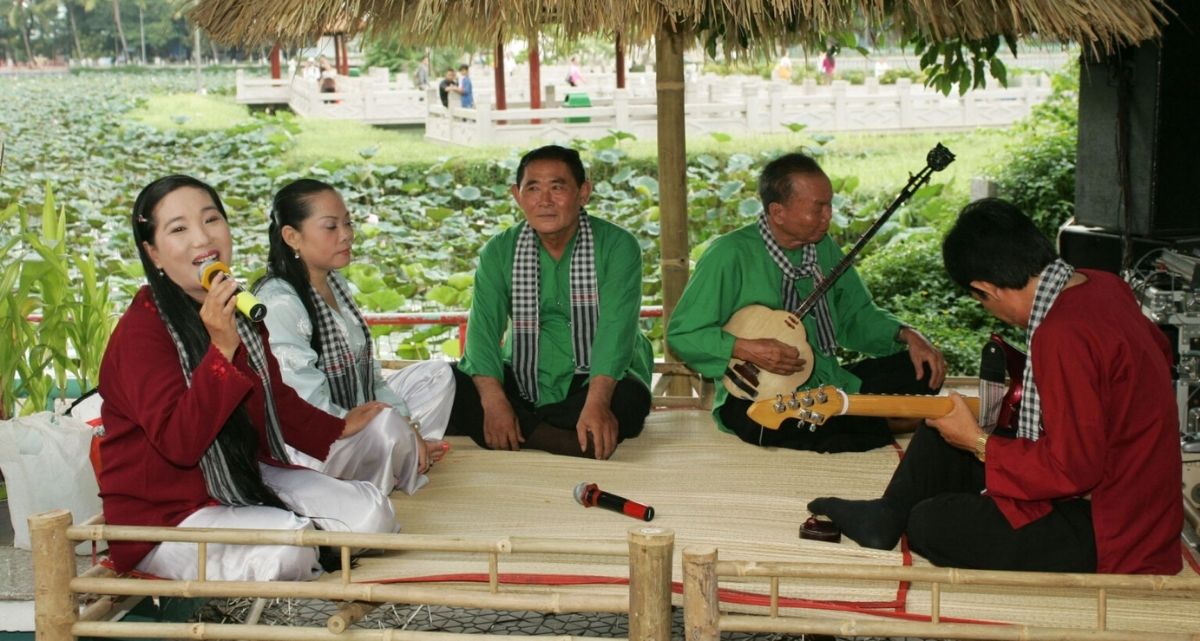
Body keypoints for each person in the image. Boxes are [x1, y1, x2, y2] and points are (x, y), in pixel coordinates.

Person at [808, 199, 1183, 574]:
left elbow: (1073, 470)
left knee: (931, 523)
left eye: (980, 300)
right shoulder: (1103, 284)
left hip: (1114, 525)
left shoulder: (1061, 334)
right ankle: (886, 515)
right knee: (941, 426)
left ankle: (908, 515)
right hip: (1132, 488)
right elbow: (1156, 356)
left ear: (987, 289)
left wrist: (978, 442)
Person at [98, 176, 398, 582]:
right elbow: (180, 444)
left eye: (211, 219)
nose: (202, 237)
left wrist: (340, 426)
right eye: (179, 229)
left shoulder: (240, 310)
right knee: (285, 549)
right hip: (167, 512)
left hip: (243, 474)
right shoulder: (140, 333)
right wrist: (221, 351)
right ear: (153, 253)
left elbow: (275, 398)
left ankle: (300, 539)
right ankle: (300, 544)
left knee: (372, 514)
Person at [668, 152, 946, 453]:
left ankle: (865, 415)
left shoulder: (823, 249)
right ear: (778, 212)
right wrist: (747, 349)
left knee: (923, 367)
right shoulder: (729, 254)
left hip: (828, 380)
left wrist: (907, 334)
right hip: (762, 394)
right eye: (818, 209)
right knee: (774, 424)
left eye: (829, 205)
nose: (829, 216)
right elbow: (684, 334)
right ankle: (889, 421)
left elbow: (855, 315)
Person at [447, 145, 653, 459]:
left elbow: (615, 331)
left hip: (597, 376)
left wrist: (597, 403)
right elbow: (483, 332)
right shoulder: (500, 250)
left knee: (630, 400)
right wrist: (495, 403)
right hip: (525, 370)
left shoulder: (617, 245)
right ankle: (563, 440)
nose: (544, 201)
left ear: (583, 193)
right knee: (450, 384)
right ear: (517, 195)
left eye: (557, 188)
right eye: (533, 189)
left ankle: (524, 431)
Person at [254, 179, 455, 496]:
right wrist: (383, 423)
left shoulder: (336, 284)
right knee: (387, 422)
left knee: (438, 375)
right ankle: (400, 458)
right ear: (292, 237)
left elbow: (368, 372)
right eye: (331, 227)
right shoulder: (280, 302)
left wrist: (406, 422)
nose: (346, 234)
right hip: (316, 442)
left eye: (347, 222)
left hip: (357, 409)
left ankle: (406, 452)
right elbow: (306, 407)